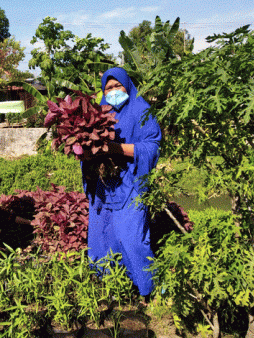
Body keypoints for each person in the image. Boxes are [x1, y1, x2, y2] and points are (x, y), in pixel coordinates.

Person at [81, 67, 162, 297]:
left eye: (118, 86)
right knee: (102, 235)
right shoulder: (99, 113)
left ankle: (147, 290)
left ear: (128, 85)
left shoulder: (140, 110)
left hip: (131, 183)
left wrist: (115, 148)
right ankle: (112, 286)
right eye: (108, 88)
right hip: (104, 185)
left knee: (132, 237)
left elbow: (151, 147)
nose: (114, 91)